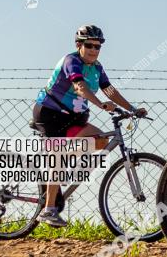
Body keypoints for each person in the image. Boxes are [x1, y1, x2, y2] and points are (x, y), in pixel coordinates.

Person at [32, 25, 147, 227]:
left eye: (98, 46)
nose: (94, 50)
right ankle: (48, 210)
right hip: (50, 114)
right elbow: (79, 87)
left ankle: (58, 169)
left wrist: (132, 109)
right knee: (58, 156)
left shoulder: (97, 68)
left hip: (74, 117)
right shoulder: (71, 61)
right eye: (89, 45)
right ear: (79, 45)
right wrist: (100, 104)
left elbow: (109, 90)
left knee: (102, 140)